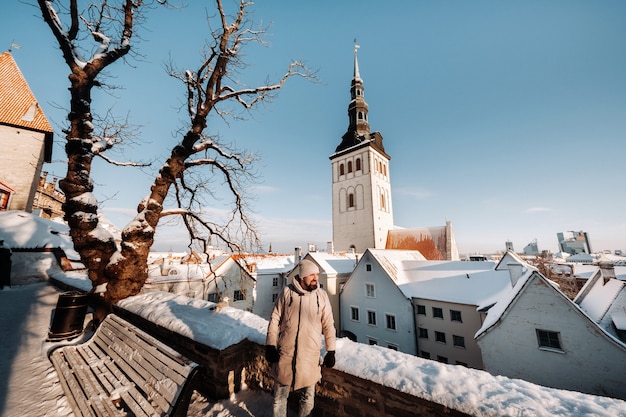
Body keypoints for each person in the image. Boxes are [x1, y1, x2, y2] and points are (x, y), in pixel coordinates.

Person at [265, 259, 336, 417]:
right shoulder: (287, 293)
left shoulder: (321, 296)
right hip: (285, 355)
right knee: (279, 398)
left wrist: (331, 350)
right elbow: (275, 318)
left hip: (309, 357)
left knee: (308, 398)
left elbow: (329, 324)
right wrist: (270, 345)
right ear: (302, 276)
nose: (315, 278)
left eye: (317, 274)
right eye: (312, 275)